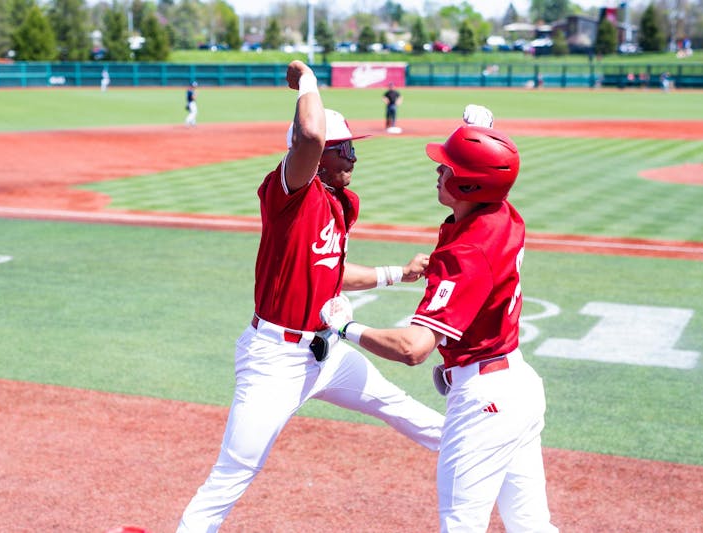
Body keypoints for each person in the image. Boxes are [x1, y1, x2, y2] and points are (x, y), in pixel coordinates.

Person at [175, 60, 445, 532]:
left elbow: (331, 274)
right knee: (234, 474)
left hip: (328, 353)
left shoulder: (340, 204)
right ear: (318, 157)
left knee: (398, 406)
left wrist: (396, 273)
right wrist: (308, 81)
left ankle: (488, 456)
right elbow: (310, 136)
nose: (353, 160)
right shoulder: (289, 195)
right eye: (345, 151)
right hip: (274, 359)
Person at [320, 109, 557, 532]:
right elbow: (495, 175)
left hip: (486, 400)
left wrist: (344, 327)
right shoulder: (503, 215)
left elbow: (414, 349)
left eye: (447, 167)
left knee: (461, 525)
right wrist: (477, 132)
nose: (437, 170)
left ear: (469, 183)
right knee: (531, 526)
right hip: (517, 388)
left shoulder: (465, 255)